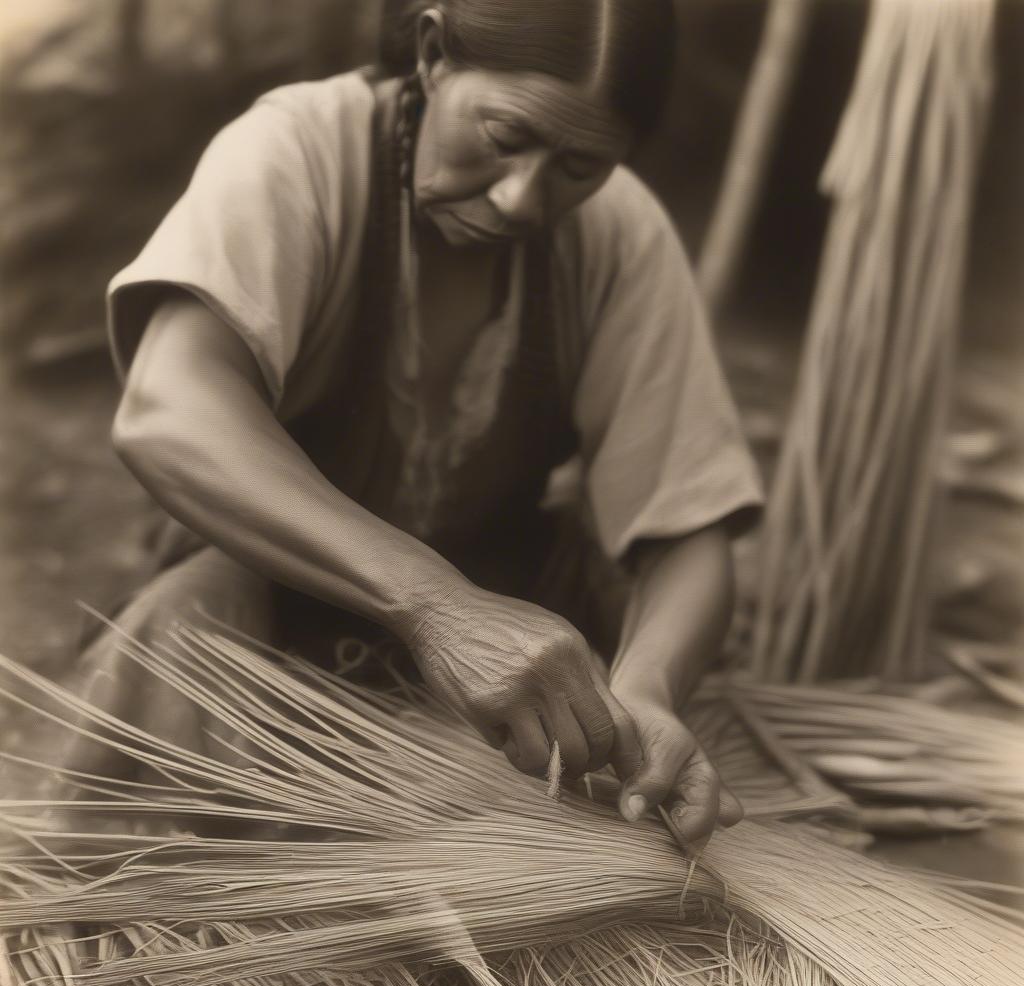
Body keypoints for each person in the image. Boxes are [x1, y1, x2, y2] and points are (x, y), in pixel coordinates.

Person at [67, 0, 763, 845]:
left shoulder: (616, 232)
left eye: (579, 166)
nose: (521, 197)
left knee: (560, 852)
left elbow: (687, 531)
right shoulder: (299, 152)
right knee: (181, 709)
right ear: (433, 54)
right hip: (277, 598)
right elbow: (167, 412)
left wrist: (646, 690)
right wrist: (436, 608)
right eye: (505, 138)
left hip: (516, 615)